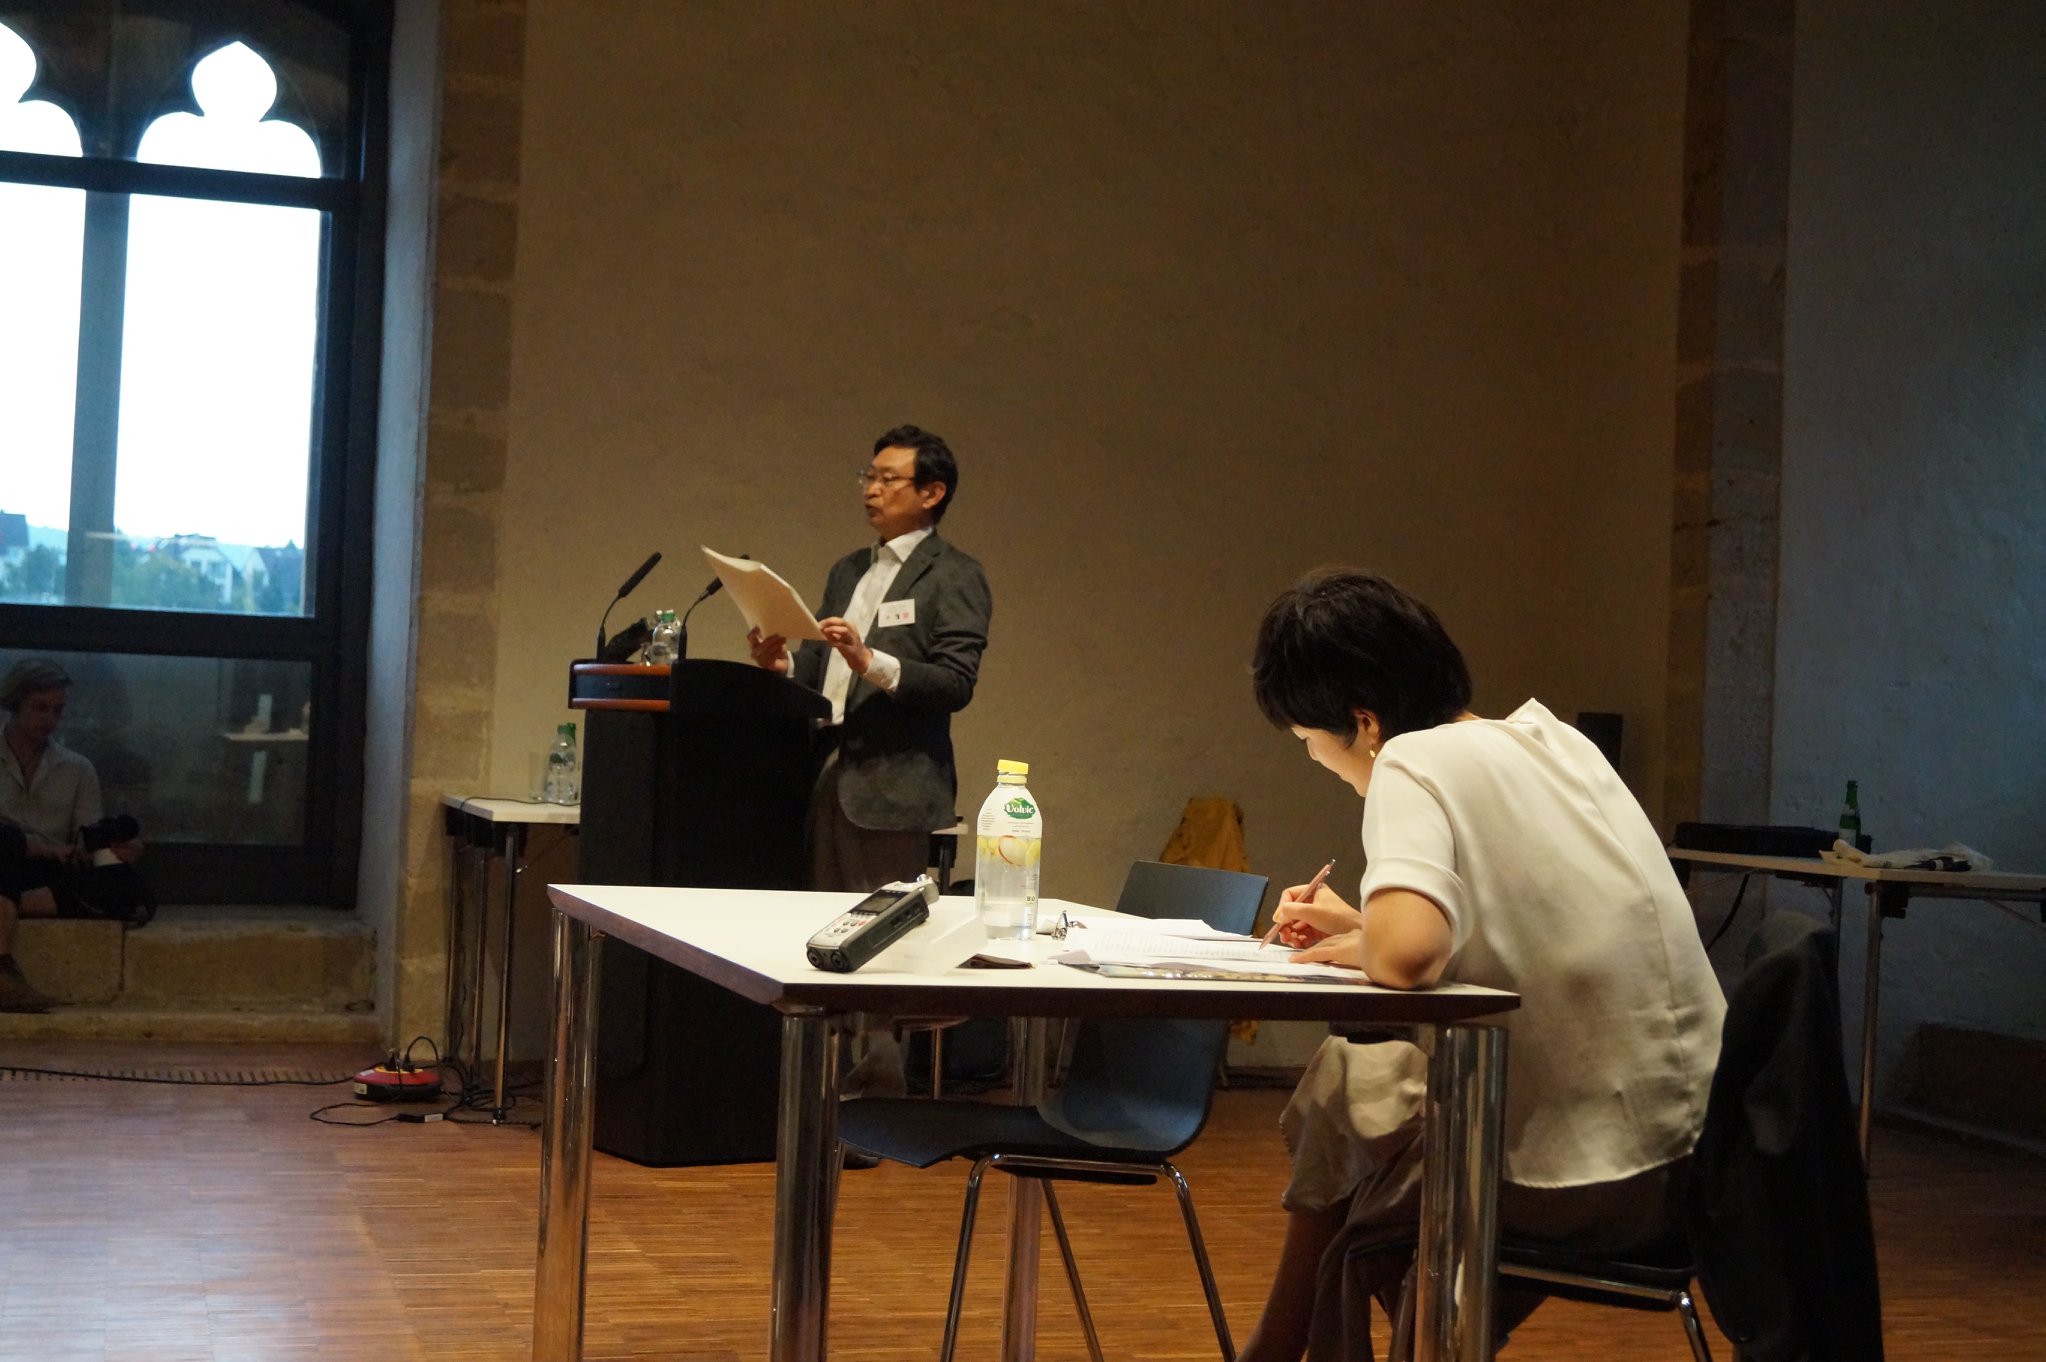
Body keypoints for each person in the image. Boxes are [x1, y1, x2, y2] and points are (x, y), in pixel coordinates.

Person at [1236, 570, 1725, 1362]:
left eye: (1307, 741)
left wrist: (1375, 940)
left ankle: (1294, 1344)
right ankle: (1322, 1342)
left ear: (1363, 722)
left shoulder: (1410, 761)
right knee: (1352, 1082)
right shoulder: (1554, 742)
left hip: (1597, 1179)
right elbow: (1531, 924)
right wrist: (1361, 928)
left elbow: (1410, 955)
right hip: (1706, 1154)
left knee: (1354, 1124)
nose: (1315, 758)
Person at [747, 424, 993, 893]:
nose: (871, 489)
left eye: (888, 479)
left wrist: (870, 661)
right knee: (815, 918)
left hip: (893, 788)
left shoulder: (954, 575)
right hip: (827, 769)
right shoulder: (849, 570)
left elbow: (955, 683)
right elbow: (823, 667)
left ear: (932, 493)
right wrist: (785, 667)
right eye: (869, 476)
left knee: (879, 924)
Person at [0, 659, 147, 1013]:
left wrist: (118, 850)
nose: (49, 719)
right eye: (39, 708)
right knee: (5, 841)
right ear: (15, 705)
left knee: (119, 885)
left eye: (57, 710)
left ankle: (10, 904)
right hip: (5, 854)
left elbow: (85, 843)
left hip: (43, 873)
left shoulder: (77, 768)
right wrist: (31, 845)